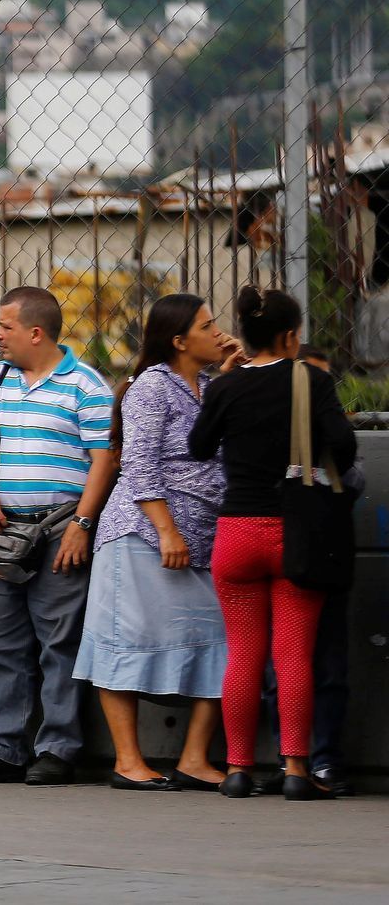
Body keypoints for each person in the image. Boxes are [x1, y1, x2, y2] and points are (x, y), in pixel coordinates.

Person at [188, 286, 356, 801]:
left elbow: (199, 447)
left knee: (242, 655)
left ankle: (238, 769)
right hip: (294, 534)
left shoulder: (226, 386)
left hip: (236, 533)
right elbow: (345, 452)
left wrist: (222, 385)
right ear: (290, 336)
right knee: (293, 656)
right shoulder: (311, 378)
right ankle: (295, 770)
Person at [0, 286, 115, 788]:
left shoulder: (87, 387)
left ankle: (57, 749)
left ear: (35, 332)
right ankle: (3, 749)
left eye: (6, 326)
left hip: (61, 527)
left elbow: (105, 461)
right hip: (2, 531)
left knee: (59, 642)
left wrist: (82, 526)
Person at [73, 294, 232, 792]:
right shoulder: (150, 389)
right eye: (208, 326)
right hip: (141, 537)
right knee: (123, 643)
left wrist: (237, 368)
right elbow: (139, 467)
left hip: (203, 539)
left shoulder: (211, 386)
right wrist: (167, 530)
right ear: (180, 340)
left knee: (224, 646)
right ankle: (127, 760)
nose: (218, 332)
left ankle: (193, 759)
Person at [275, 345, 363, 795]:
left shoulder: (333, 440)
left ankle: (319, 758)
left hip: (321, 552)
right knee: (292, 659)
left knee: (325, 658)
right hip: (290, 549)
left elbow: (356, 476)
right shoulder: (269, 431)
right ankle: (298, 757)